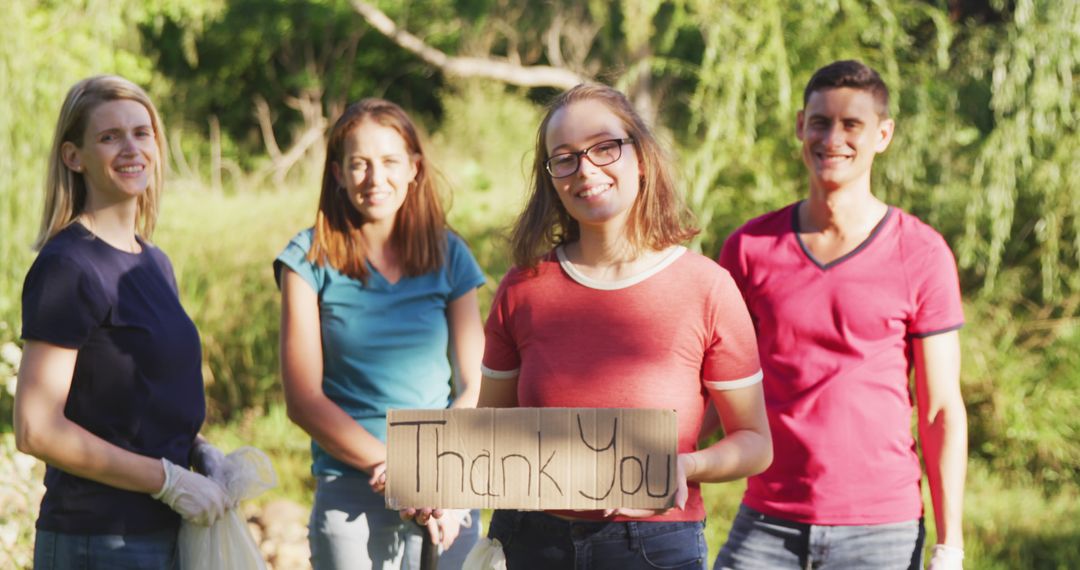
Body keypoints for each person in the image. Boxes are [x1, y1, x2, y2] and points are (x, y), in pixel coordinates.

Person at [476, 83, 773, 570]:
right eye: (564, 158)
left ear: (641, 157)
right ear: (551, 178)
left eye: (604, 147)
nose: (586, 169)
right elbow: (487, 433)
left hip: (654, 547)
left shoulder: (707, 287)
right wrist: (429, 481)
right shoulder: (522, 288)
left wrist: (685, 466)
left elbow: (755, 443)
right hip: (531, 541)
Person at [714, 60, 967, 570]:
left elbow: (940, 408)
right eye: (820, 121)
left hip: (883, 531)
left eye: (852, 124)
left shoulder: (921, 251)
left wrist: (950, 544)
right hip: (766, 522)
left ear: (883, 134)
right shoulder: (749, 247)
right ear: (799, 127)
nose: (833, 137)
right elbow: (708, 382)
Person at [13, 75, 231, 569]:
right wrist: (168, 480)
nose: (132, 148)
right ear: (74, 157)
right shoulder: (67, 267)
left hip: (165, 533)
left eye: (142, 132)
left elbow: (133, 404)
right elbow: (35, 428)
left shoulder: (153, 262)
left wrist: (197, 453)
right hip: (101, 541)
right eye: (110, 136)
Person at [276, 98, 486, 570]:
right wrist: (389, 466)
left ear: (414, 168)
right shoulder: (307, 259)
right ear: (337, 174)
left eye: (390, 162)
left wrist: (435, 472)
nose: (375, 179)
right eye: (359, 164)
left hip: (444, 483)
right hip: (352, 491)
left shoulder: (449, 254)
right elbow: (302, 399)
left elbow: (478, 383)